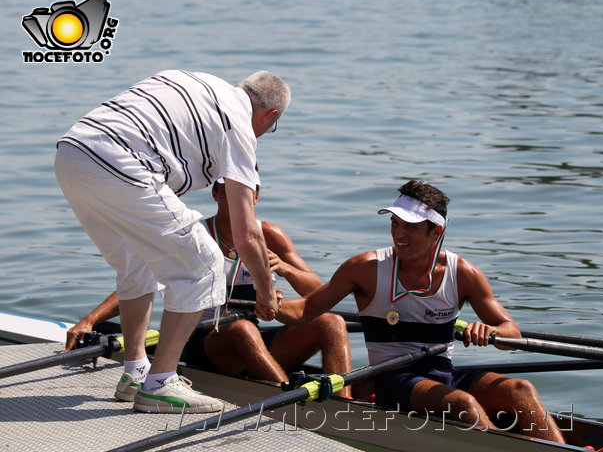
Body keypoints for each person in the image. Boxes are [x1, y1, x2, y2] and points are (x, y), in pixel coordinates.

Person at [54, 69, 288, 413]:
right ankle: (160, 384)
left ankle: (136, 372)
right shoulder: (238, 123)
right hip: (119, 162)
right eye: (272, 128)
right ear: (271, 116)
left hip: (72, 153)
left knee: (138, 262)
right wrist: (266, 292)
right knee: (205, 263)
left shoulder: (191, 81)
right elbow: (246, 232)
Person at [276, 180, 567, 443]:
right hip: (393, 378)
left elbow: (509, 331)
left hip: (443, 374)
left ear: (436, 231)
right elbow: (306, 309)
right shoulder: (365, 268)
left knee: (520, 389)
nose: (398, 234)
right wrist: (272, 304)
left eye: (410, 227)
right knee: (462, 404)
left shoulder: (463, 273)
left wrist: (491, 331)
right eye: (394, 224)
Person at [64, 180, 352, 398]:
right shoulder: (195, 236)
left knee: (331, 322)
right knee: (242, 328)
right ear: (216, 195)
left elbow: (319, 293)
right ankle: (285, 397)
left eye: (247, 192)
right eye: (229, 191)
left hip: (253, 340)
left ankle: (345, 404)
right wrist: (90, 320)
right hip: (203, 343)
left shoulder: (269, 235)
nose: (240, 199)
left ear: (257, 196)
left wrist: (285, 269)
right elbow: (140, 282)